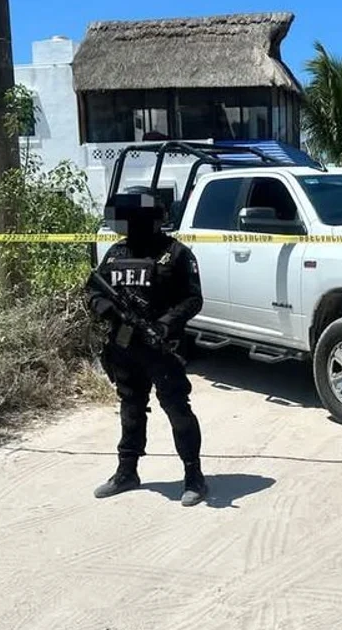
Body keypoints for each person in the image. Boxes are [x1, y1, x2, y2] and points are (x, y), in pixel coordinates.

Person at [85, 191, 209, 506]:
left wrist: (166, 324)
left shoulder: (176, 253)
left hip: (162, 348)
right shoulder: (116, 253)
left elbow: (193, 299)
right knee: (131, 408)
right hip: (124, 347)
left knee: (178, 410)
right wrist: (105, 309)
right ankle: (127, 471)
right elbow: (93, 289)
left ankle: (193, 475)